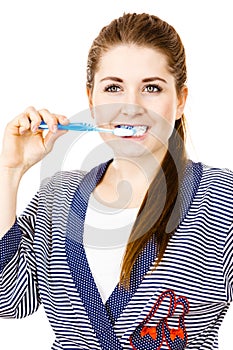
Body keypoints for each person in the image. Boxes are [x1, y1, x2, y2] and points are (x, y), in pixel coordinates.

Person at [0, 12, 232, 350]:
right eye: (113, 87)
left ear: (180, 101)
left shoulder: (222, 198)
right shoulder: (58, 195)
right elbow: (8, 301)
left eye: (151, 88)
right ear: (91, 100)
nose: (131, 106)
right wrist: (10, 171)